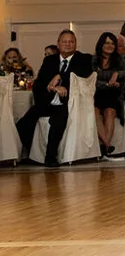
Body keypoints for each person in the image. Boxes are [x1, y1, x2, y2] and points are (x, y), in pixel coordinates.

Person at [16, 30, 92, 167]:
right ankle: (32, 154)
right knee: (23, 123)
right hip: (48, 101)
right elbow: (38, 84)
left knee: (58, 120)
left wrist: (60, 78)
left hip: (68, 103)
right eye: (64, 41)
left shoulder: (84, 58)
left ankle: (50, 157)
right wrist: (50, 87)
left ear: (76, 43)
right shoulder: (49, 60)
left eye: (71, 41)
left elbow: (83, 75)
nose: (68, 44)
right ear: (58, 44)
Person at [92, 32, 125, 157]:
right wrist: (105, 84)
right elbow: (91, 78)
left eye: (112, 43)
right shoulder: (93, 60)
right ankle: (108, 146)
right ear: (101, 44)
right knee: (95, 112)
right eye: (106, 43)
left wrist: (117, 74)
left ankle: (104, 147)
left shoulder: (119, 60)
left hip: (113, 94)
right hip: (96, 93)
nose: (109, 46)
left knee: (110, 112)